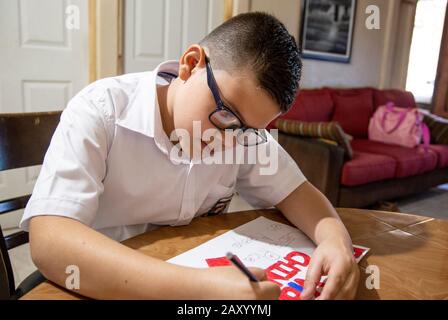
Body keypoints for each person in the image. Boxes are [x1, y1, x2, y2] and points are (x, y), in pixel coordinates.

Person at [22, 12, 359, 300]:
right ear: (191, 64)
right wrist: (201, 289)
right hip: (103, 281)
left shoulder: (241, 135)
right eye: (225, 114)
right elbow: (50, 242)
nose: (229, 141)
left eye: (249, 130)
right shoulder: (101, 110)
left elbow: (297, 192)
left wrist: (336, 243)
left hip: (185, 266)